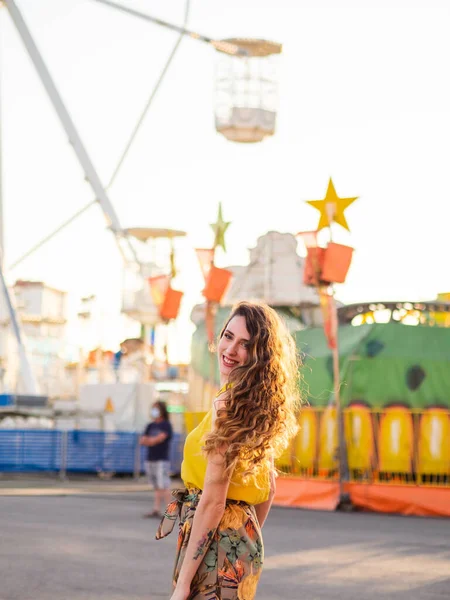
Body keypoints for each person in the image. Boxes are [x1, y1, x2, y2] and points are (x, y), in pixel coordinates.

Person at [156, 301, 301, 600]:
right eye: (228, 336)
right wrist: (241, 537)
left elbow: (212, 502)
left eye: (245, 344)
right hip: (240, 544)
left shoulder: (227, 408)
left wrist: (184, 582)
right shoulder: (256, 406)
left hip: (212, 544)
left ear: (259, 355)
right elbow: (269, 489)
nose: (231, 349)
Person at [140, 400, 173, 518]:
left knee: (164, 484)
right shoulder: (150, 425)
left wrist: (151, 440)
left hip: (161, 459)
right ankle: (156, 509)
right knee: (156, 486)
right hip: (151, 458)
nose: (154, 411)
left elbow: (159, 438)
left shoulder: (166, 425)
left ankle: (170, 510)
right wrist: (152, 441)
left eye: (156, 408)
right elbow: (143, 440)